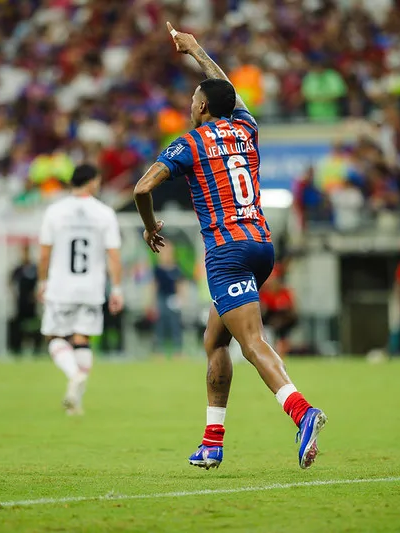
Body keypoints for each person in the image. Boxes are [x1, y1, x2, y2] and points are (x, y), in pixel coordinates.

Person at [133, 23, 326, 470]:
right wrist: (196, 50)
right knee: (214, 340)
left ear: (201, 106)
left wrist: (149, 226)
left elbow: (142, 188)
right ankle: (212, 442)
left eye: (193, 98)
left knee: (252, 342)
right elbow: (229, 92)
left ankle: (302, 412)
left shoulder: (190, 143)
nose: (190, 104)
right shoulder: (246, 128)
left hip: (227, 251)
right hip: (260, 246)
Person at [38, 164, 124, 415]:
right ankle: (75, 401)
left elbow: (44, 254)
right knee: (82, 340)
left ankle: (74, 375)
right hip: (91, 288)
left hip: (61, 287)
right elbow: (113, 255)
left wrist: (42, 282)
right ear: (92, 181)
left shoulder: (54, 212)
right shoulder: (105, 213)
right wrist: (117, 288)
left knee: (55, 337)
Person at [152, 242, 185, 358]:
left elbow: (179, 284)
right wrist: (153, 302)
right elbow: (154, 285)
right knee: (160, 325)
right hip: (161, 298)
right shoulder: (158, 269)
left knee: (175, 324)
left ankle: (178, 351)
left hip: (173, 299)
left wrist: (180, 299)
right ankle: (159, 351)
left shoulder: (176, 268)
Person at [259, 269, 298, 357]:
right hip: (270, 319)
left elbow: (292, 309)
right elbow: (263, 309)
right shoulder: (265, 293)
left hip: (284, 320)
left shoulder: (285, 292)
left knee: (283, 330)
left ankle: (282, 351)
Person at [10, 245, 40, 355]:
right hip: (21, 303)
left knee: (35, 325)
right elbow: (10, 282)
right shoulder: (18, 269)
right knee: (17, 326)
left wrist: (35, 295)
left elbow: (40, 281)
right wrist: (14, 295)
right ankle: (16, 349)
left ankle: (37, 349)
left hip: (32, 304)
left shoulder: (34, 268)